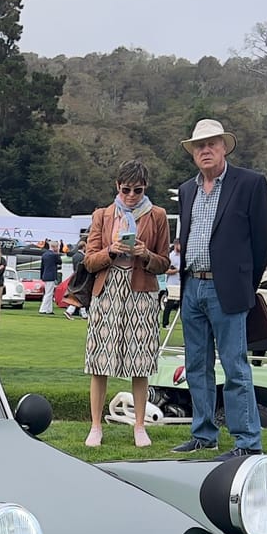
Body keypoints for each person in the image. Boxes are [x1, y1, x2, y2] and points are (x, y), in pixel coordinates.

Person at [170, 121, 267, 457]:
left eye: (211, 144)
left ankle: (247, 442)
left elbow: (262, 242)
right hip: (192, 286)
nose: (205, 151)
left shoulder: (250, 183)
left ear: (224, 147)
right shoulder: (187, 190)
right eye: (199, 146)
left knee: (235, 367)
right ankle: (204, 434)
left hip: (226, 288)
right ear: (193, 153)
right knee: (196, 366)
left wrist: (244, 283)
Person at [82, 158, 173, 449]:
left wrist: (145, 254)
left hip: (142, 291)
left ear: (146, 188)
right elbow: (89, 260)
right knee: (99, 360)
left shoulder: (157, 215)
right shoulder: (103, 215)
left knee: (141, 362)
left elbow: (164, 263)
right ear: (117, 186)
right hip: (107, 291)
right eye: (126, 189)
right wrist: (111, 250)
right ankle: (95, 426)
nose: (131, 195)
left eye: (138, 189)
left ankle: (139, 425)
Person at [38, 240, 60, 314]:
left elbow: (42, 266)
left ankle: (49, 309)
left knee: (48, 292)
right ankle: (43, 309)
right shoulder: (54, 255)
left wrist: (41, 276)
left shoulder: (44, 254)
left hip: (45, 275)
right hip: (51, 276)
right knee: (49, 293)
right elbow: (59, 261)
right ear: (55, 247)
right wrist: (57, 253)